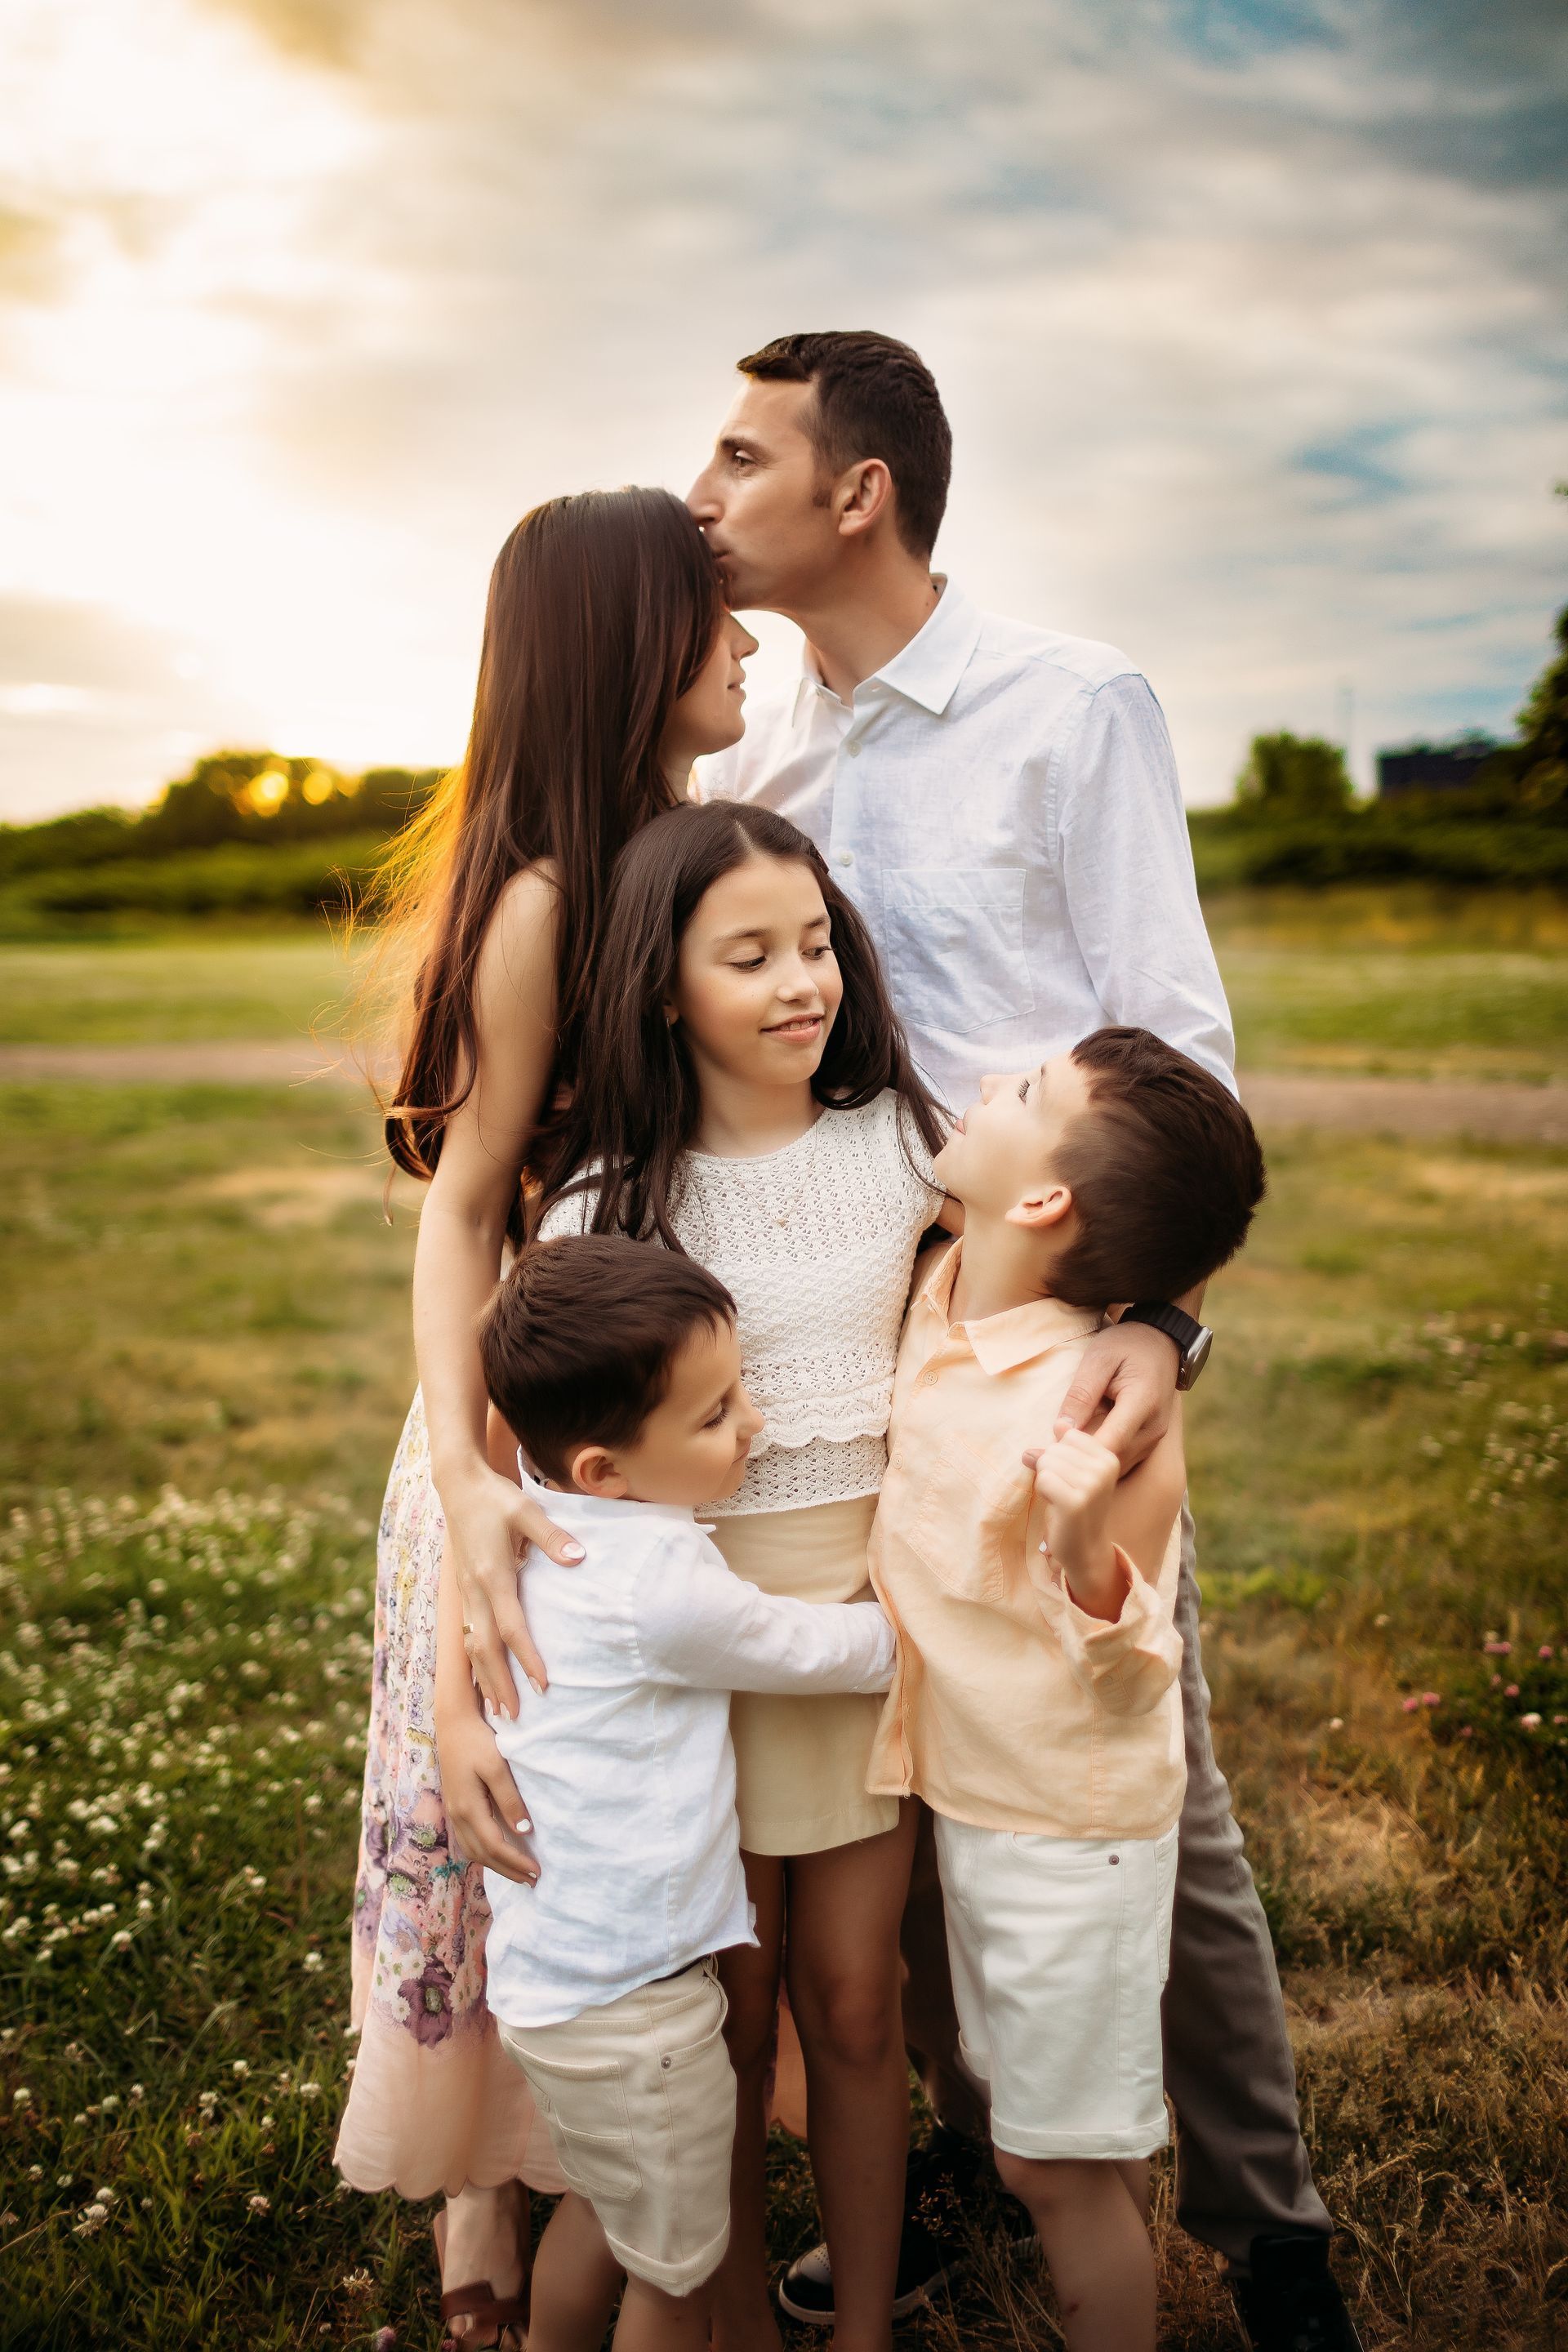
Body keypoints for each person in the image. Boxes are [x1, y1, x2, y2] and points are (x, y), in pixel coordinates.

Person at [688, 330, 1364, 2352]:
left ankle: (1271, 2230)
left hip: (1055, 1314)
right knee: (898, 1764)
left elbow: (1181, 1054)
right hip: (849, 1323)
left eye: (739, 456)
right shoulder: (754, 753)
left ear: (858, 489)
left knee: (1141, 1761)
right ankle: (975, 2173)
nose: (703, 493)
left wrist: (1156, 1320)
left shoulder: (1072, 707)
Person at [333, 485, 758, 2348]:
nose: (747, 643)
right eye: (714, 615)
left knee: (598, 1811)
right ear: (632, 646)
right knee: (498, 1809)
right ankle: (485, 2234)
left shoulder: (701, 856)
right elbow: (463, 1202)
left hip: (639, 1423)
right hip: (515, 1446)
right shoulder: (542, 902)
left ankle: (581, 2176)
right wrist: (462, 1472)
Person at [531, 797, 954, 2352]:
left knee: (856, 1999)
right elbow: (553, 1462)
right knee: (736, 2011)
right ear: (663, 987)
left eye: (819, 941)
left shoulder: (906, 1145)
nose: (804, 982)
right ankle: (721, 2319)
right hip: (693, 1652)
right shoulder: (611, 1198)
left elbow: (1036, 1276)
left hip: (861, 1623)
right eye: (751, 955)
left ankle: (859, 2323)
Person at [866, 1029, 1266, 2352]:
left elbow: (1131, 1658)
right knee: (981, 2080)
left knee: (1061, 2165)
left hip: (1067, 1831)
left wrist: (1086, 1545)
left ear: (1043, 1202)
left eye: (1022, 1092)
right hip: (961, 1790)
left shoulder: (1097, 1418)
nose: (986, 1079)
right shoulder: (936, 1283)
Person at [466, 1233, 897, 2352]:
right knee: (682, 2271)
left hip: (552, 1981)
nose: (752, 1420)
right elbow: (802, 1648)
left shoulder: (542, 1515)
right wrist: (919, 1634)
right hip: (638, 2005)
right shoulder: (655, 1582)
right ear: (607, 1467)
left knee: (611, 2223)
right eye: (713, 1416)